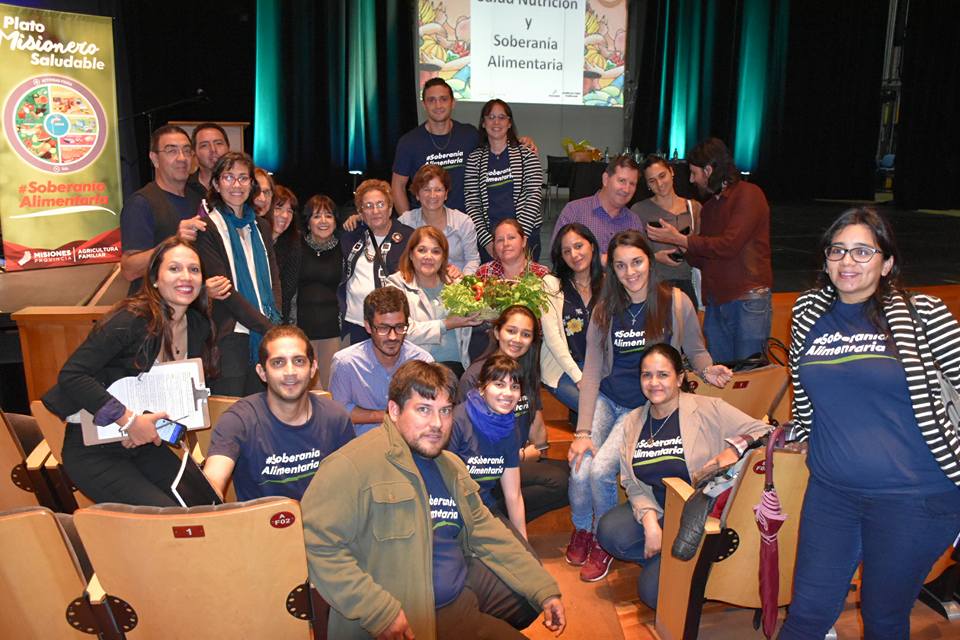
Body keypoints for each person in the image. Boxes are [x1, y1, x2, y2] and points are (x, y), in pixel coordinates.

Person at [779, 208, 960, 639]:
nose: (847, 261)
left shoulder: (923, 313)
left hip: (914, 497)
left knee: (882, 618)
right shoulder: (808, 313)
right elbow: (804, 392)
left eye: (863, 251)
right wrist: (799, 432)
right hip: (832, 494)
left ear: (887, 262)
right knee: (806, 616)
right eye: (837, 250)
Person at [302, 360, 566, 639]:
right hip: (405, 617)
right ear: (394, 410)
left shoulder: (450, 466)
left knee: (527, 596)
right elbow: (317, 543)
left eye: (445, 411)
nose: (437, 424)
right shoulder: (351, 465)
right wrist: (378, 610)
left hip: (458, 594)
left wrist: (543, 589)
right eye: (424, 409)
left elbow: (486, 530)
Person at [566, 230, 733, 582]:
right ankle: (584, 529)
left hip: (643, 407)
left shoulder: (675, 302)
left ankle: (603, 542)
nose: (630, 272)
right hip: (608, 398)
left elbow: (695, 349)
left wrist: (708, 369)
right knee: (580, 466)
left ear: (649, 261)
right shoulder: (605, 310)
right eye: (621, 265)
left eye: (637, 262)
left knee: (600, 471)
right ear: (612, 269)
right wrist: (582, 432)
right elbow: (592, 371)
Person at [41, 238, 219, 506]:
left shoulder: (197, 325)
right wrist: (129, 422)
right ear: (155, 278)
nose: (186, 277)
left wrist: (143, 427)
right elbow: (72, 375)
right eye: (174, 268)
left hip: (143, 442)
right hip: (95, 449)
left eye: (194, 270)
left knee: (206, 506)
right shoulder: (131, 319)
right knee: (169, 518)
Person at [595, 343, 770, 609]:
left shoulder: (709, 408)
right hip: (659, 508)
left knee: (653, 594)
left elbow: (765, 431)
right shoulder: (633, 421)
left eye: (663, 375)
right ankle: (676, 557)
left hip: (696, 516)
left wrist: (733, 450)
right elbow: (631, 481)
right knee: (609, 532)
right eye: (646, 375)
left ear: (679, 379)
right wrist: (650, 523)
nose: (654, 382)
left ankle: (689, 560)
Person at [646, 138, 772, 363]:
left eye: (694, 173)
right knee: (720, 372)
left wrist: (683, 239)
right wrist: (680, 245)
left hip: (747, 299)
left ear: (709, 170)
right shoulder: (710, 208)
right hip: (716, 304)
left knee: (749, 372)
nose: (692, 180)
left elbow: (729, 245)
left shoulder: (748, 194)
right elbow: (703, 259)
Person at [203, 325, 354, 501]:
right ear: (262, 373)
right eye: (278, 363)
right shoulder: (238, 420)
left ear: (313, 368)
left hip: (322, 517)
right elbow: (213, 479)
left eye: (299, 361)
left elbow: (352, 481)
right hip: (261, 519)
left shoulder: (336, 417)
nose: (290, 372)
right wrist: (208, 497)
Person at [458, 306, 570, 523]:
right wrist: (521, 457)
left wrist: (539, 450)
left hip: (518, 457)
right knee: (558, 481)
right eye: (511, 331)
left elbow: (536, 423)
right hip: (488, 468)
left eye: (526, 334)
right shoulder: (476, 376)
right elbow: (472, 444)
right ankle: (493, 517)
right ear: (497, 332)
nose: (517, 339)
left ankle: (505, 520)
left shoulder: (523, 371)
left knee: (575, 474)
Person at [195, 152, 281, 397]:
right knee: (231, 411)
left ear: (251, 184)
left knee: (261, 410)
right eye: (228, 177)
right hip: (230, 336)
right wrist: (266, 326)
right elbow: (225, 290)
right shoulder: (208, 228)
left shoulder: (261, 226)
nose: (236, 185)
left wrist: (275, 320)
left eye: (243, 178)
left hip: (266, 334)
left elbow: (274, 278)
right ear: (216, 184)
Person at [329, 287, 434, 436]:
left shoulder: (422, 361)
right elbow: (338, 413)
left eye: (399, 327)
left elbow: (429, 410)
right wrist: (387, 416)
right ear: (368, 326)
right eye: (383, 328)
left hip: (409, 443)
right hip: (363, 444)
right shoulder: (345, 363)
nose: (392, 337)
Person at [385, 226, 482, 379]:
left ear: (443, 258)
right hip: (415, 369)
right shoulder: (395, 285)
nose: (428, 256)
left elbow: (475, 318)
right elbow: (400, 331)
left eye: (436, 251)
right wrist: (446, 324)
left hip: (456, 370)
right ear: (411, 254)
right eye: (422, 250)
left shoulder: (456, 283)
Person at [449, 354, 529, 539]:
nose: (508, 393)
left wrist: (524, 542)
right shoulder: (457, 420)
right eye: (499, 384)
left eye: (515, 387)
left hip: (485, 508)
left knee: (522, 556)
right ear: (482, 387)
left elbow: (513, 495)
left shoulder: (510, 426)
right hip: (455, 511)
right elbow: (442, 483)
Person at [120, 125, 204, 292]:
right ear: (155, 158)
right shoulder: (141, 203)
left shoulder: (199, 197)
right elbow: (129, 269)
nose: (182, 158)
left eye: (187, 151)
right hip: (155, 304)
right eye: (172, 151)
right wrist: (173, 242)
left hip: (190, 299)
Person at [464, 99, 543, 261]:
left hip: (525, 236)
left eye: (501, 117)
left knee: (526, 278)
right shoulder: (474, 159)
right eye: (491, 117)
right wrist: (487, 241)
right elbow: (472, 204)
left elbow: (534, 196)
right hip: (491, 239)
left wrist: (519, 237)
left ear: (509, 123)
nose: (496, 122)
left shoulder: (527, 154)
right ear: (483, 123)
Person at [338, 179, 414, 345]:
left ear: (390, 208)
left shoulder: (409, 238)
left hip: (392, 325)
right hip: (356, 323)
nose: (375, 211)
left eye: (380, 204)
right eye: (368, 206)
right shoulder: (351, 236)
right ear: (361, 212)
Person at [391, 78, 480, 214]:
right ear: (424, 104)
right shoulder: (409, 142)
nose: (438, 105)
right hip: (425, 223)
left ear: (453, 103)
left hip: (466, 222)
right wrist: (408, 224)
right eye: (431, 100)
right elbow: (398, 186)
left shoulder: (470, 135)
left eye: (443, 99)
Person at [541, 223, 604, 412]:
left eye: (578, 246)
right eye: (566, 251)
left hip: (601, 369)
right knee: (597, 412)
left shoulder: (609, 284)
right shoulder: (551, 284)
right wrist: (579, 377)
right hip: (562, 370)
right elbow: (552, 338)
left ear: (591, 246)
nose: (574, 255)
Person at [632, 155, 702, 307]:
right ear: (647, 184)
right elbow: (632, 251)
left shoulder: (693, 208)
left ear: (671, 172)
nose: (659, 184)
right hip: (654, 285)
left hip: (688, 283)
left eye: (662, 176)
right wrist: (654, 257)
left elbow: (703, 247)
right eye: (652, 181)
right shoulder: (639, 211)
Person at [549, 155, 643, 264]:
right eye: (622, 181)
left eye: (632, 184)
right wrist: (600, 259)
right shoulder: (574, 211)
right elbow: (556, 254)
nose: (626, 189)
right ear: (605, 179)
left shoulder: (634, 222)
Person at [293, 194, 342, 388]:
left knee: (332, 387)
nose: (323, 221)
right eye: (316, 216)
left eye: (328, 216)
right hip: (301, 330)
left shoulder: (344, 248)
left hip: (333, 330)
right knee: (305, 387)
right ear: (308, 222)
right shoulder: (296, 246)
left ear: (335, 221)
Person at [400, 164, 480, 276]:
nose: (432, 195)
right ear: (417, 194)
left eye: (438, 190)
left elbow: (473, 260)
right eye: (426, 189)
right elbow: (401, 260)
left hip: (456, 283)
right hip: (419, 283)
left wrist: (463, 279)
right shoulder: (405, 222)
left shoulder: (463, 222)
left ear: (446, 194)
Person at [269, 185, 300, 322]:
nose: (285, 215)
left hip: (279, 318)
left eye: (290, 211)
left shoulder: (293, 244)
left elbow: (287, 290)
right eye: (278, 208)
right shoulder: (251, 238)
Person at [186, 122, 229, 199]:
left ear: (228, 147)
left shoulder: (242, 185)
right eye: (204, 145)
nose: (213, 149)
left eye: (218, 143)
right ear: (194, 153)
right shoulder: (183, 186)